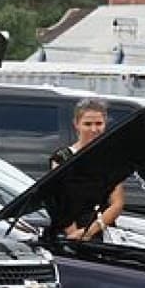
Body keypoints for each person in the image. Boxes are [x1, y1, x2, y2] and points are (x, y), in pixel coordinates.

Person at [48, 97, 124, 241]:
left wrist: (90, 231)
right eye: (87, 124)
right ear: (76, 124)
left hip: (101, 229)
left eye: (98, 123)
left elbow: (117, 203)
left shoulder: (111, 158)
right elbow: (58, 202)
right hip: (69, 231)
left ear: (105, 123)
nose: (94, 129)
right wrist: (73, 233)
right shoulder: (62, 158)